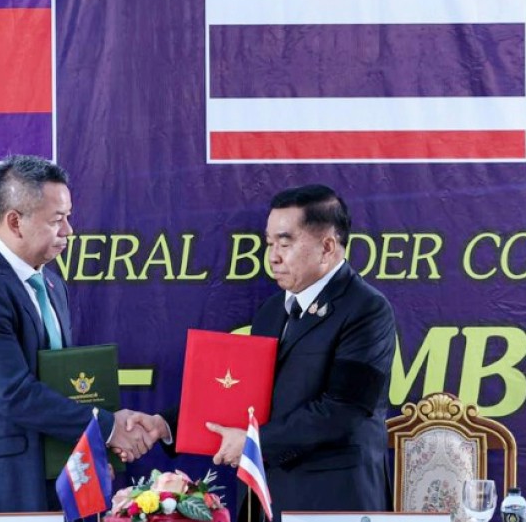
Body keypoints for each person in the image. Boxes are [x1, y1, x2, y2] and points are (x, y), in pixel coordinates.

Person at [131, 185, 396, 519]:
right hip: (265, 494)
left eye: (285, 242)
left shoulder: (367, 309)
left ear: (327, 247)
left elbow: (343, 410)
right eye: (270, 243)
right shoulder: (272, 311)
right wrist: (166, 425)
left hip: (332, 499)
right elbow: (242, 394)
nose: (273, 255)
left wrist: (254, 443)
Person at [0, 155, 152, 514]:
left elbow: (58, 386)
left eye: (68, 218)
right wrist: (106, 428)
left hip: (46, 483)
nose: (69, 232)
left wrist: (89, 449)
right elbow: (14, 393)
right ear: (15, 222)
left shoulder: (51, 283)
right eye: (57, 220)